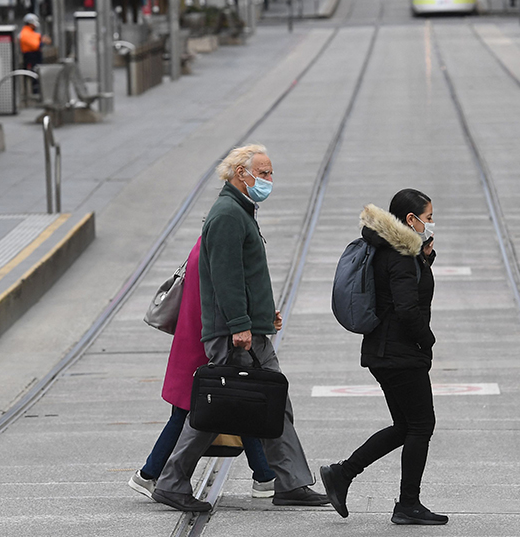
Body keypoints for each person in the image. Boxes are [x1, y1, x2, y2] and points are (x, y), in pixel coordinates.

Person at [151, 145, 329, 513]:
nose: (268, 180)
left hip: (248, 328)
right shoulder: (228, 214)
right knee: (219, 407)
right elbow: (226, 278)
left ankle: (289, 482)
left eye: (270, 173)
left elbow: (247, 278)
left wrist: (264, 315)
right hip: (233, 333)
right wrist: (240, 326)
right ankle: (171, 481)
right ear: (239, 174)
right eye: (262, 173)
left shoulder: (241, 211)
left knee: (273, 403)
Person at [320, 189, 447, 526]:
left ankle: (342, 474)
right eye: (429, 217)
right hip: (400, 353)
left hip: (383, 351)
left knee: (406, 425)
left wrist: (425, 258)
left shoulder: (389, 248)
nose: (432, 223)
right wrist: (427, 340)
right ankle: (408, 504)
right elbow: (406, 308)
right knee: (421, 425)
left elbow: (396, 291)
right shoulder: (402, 255)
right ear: (411, 220)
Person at [128, 237, 278, 502]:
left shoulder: (203, 244)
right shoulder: (219, 248)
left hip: (195, 337)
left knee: (232, 404)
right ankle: (150, 474)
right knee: (204, 408)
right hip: (205, 341)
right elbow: (228, 296)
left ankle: (264, 476)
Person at [19, 13, 50, 96]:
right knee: (34, 74)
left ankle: (36, 91)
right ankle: (34, 93)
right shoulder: (25, 34)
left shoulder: (31, 33)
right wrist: (43, 41)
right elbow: (36, 45)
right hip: (31, 56)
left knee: (36, 74)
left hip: (34, 56)